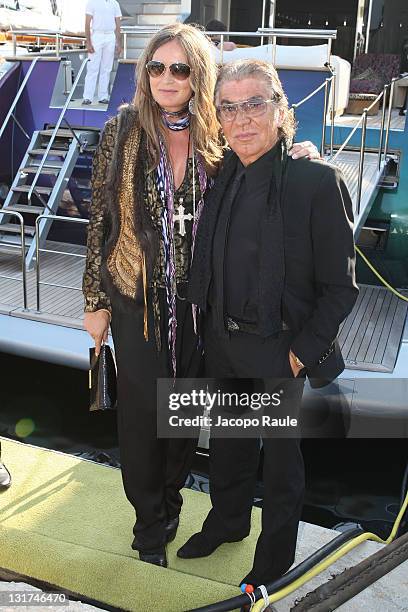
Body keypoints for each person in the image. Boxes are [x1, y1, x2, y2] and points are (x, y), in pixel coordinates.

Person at [82, 23, 319, 570]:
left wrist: (298, 151)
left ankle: (170, 505)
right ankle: (149, 529)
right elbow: (101, 218)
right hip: (137, 302)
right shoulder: (123, 130)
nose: (167, 78)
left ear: (198, 77)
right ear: (145, 75)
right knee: (143, 418)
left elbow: (264, 159)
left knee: (185, 416)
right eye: (157, 67)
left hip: (198, 305)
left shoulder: (218, 137)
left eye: (181, 68)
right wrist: (94, 299)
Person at [177, 59, 359, 587]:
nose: (242, 118)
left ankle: (274, 561)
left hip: (278, 347)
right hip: (223, 340)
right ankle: (228, 523)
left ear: (280, 110)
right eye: (229, 107)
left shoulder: (315, 181)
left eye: (255, 103)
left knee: (281, 467)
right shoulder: (222, 175)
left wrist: (300, 351)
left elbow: (340, 287)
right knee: (229, 445)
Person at [82, 0, 122, 105]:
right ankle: (87, 97)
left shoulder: (115, 3)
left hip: (110, 36)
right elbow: (87, 24)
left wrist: (119, 43)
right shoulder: (92, 2)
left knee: (107, 68)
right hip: (97, 35)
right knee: (92, 67)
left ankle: (103, 96)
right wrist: (88, 42)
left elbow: (118, 26)